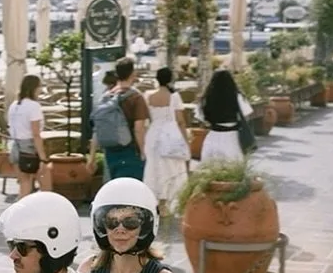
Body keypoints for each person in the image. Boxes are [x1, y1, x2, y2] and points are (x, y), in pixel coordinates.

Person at [142, 64, 191, 228]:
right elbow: (181, 121)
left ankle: (158, 203)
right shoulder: (174, 97)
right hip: (170, 134)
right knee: (173, 169)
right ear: (170, 79)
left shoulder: (148, 95)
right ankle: (168, 203)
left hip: (154, 134)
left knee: (154, 169)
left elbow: (146, 119)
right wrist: (185, 140)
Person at [92, 55, 149, 182]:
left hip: (110, 150)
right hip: (130, 150)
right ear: (132, 73)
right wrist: (143, 152)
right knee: (131, 190)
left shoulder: (106, 96)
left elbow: (97, 128)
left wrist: (92, 157)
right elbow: (139, 129)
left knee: (115, 188)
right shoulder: (136, 97)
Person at [6, 74, 49, 196]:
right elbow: (35, 134)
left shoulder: (14, 105)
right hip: (28, 146)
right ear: (34, 88)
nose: (41, 89)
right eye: (40, 86)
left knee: (24, 183)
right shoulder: (33, 106)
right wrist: (42, 158)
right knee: (45, 184)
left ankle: (21, 210)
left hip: (15, 145)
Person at [197, 67, 250, 162]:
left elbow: (201, 117)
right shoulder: (237, 97)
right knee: (233, 171)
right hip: (232, 139)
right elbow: (247, 113)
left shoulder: (206, 98)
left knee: (211, 171)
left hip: (213, 137)